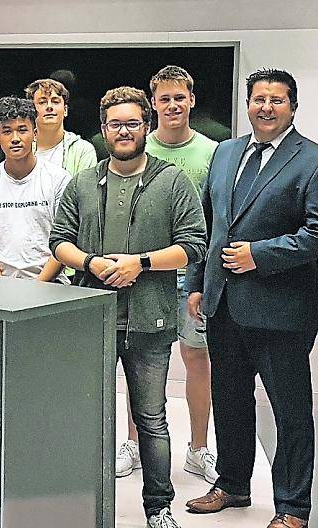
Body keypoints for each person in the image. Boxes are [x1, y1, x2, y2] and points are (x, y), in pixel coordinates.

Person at [185, 69, 318, 528]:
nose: (266, 107)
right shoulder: (226, 153)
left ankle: (293, 507)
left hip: (283, 311)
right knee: (231, 400)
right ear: (248, 104)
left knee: (290, 412)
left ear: (293, 106)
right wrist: (198, 281)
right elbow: (208, 224)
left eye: (277, 99)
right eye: (259, 99)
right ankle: (232, 485)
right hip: (223, 306)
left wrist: (260, 255)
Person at [49, 86, 206, 528]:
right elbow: (58, 240)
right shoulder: (82, 182)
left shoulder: (171, 181)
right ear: (103, 130)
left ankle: (158, 508)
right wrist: (92, 262)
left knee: (151, 419)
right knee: (87, 416)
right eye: (115, 123)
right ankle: (82, 502)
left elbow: (194, 245)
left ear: (146, 126)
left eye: (132, 123)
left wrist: (140, 264)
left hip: (150, 321)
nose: (123, 130)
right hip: (91, 320)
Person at [114, 65, 221, 481]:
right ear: (152, 103)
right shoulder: (139, 150)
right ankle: (134, 444)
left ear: (191, 100)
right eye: (164, 99)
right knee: (137, 360)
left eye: (180, 97)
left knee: (197, 358)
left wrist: (205, 279)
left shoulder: (213, 152)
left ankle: (198, 449)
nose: (173, 105)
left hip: (192, 279)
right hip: (143, 277)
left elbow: (215, 219)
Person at [0, 95, 70, 283]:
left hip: (52, 287)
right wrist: (4, 289)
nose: (15, 139)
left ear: (35, 134)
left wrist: (38, 287)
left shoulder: (59, 180)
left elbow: (65, 241)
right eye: (7, 131)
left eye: (22, 130)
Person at [25, 78, 96, 176]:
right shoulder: (22, 147)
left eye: (55, 101)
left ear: (65, 110)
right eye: (42, 102)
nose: (49, 107)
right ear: (31, 110)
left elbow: (84, 190)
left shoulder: (83, 150)